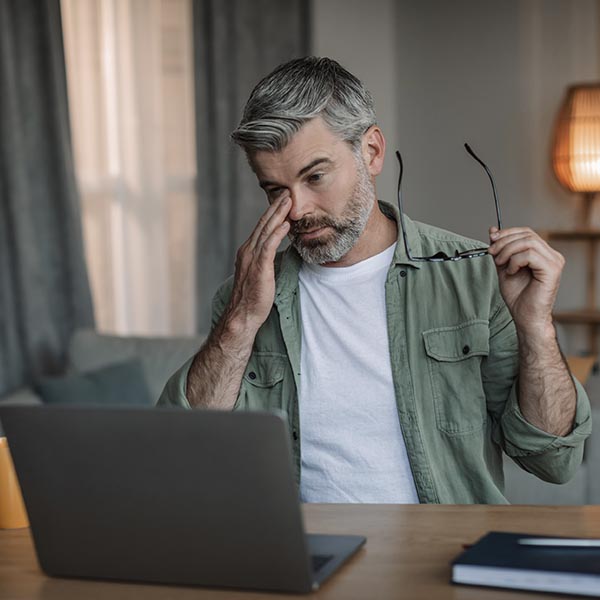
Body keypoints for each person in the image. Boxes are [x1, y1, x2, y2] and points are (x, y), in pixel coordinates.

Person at [158, 57, 591, 503]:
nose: (297, 210)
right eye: (274, 190)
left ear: (372, 151)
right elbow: (184, 460)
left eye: (315, 176)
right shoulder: (242, 298)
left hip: (441, 555)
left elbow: (554, 461)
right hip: (302, 560)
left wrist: (536, 327)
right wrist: (241, 320)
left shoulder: (477, 279)